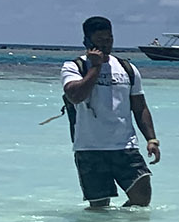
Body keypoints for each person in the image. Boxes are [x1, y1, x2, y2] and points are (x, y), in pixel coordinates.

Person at [61, 16, 159, 208]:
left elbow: (139, 107)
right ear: (87, 42)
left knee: (142, 197)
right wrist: (96, 67)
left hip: (125, 146)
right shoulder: (74, 67)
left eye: (109, 39)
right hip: (90, 149)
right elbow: (76, 96)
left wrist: (151, 139)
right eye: (100, 41)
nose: (106, 45)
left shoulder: (127, 68)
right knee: (99, 208)